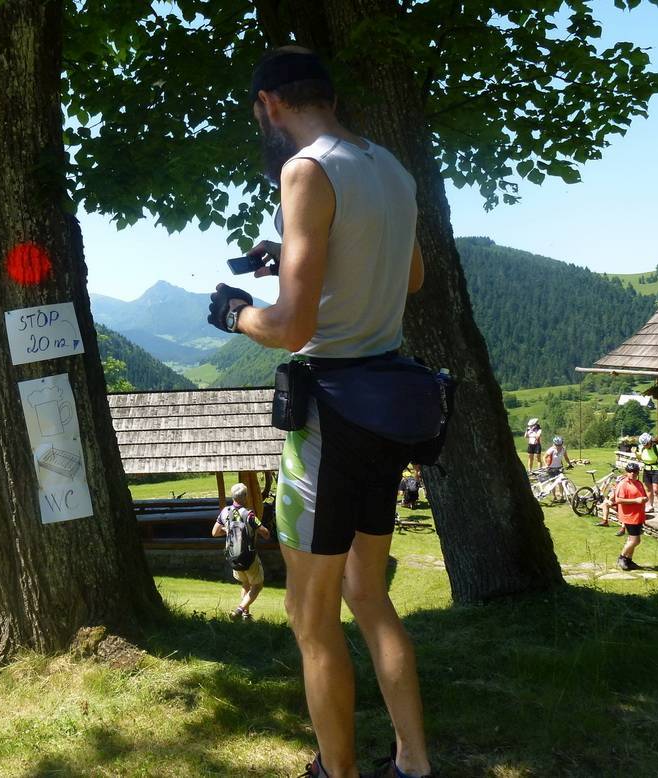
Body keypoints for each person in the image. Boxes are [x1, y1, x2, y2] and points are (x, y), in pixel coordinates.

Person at [207, 47, 434, 778]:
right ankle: (414, 765)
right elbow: (411, 275)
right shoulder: (389, 168)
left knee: (310, 615)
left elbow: (290, 327)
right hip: (388, 404)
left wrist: (235, 312)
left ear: (269, 104)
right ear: (328, 95)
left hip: (329, 415)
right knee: (369, 595)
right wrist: (297, 256)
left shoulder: (305, 170)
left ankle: (338, 772)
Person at [211, 482, 270, 620]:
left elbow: (215, 533)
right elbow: (265, 534)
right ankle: (238, 611)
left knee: (246, 583)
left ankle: (246, 615)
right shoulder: (249, 515)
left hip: (233, 557)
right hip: (249, 557)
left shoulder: (225, 512)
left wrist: (228, 530)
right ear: (244, 497)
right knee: (257, 586)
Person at [613, 462, 648, 570]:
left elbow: (644, 496)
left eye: (635, 471)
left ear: (638, 472)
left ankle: (629, 561)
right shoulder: (623, 484)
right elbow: (618, 500)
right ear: (626, 472)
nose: (632, 473)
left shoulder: (639, 483)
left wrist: (645, 499)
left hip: (638, 516)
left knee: (632, 539)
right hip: (629, 516)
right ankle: (622, 557)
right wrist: (636, 501)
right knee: (635, 540)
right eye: (630, 471)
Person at [636, 432, 658, 516]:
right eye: (644, 445)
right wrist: (635, 453)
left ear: (650, 441)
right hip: (647, 470)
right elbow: (640, 458)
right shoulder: (642, 448)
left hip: (657, 470)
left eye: (646, 444)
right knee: (648, 489)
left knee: (656, 490)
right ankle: (650, 506)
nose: (645, 446)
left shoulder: (657, 447)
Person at [543, 435, 573, 501]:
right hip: (551, 468)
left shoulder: (563, 449)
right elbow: (544, 457)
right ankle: (554, 497)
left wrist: (570, 464)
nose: (559, 446)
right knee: (552, 483)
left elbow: (566, 457)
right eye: (557, 445)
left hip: (559, 467)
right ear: (554, 444)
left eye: (560, 445)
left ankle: (561, 496)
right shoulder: (551, 450)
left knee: (560, 482)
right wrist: (546, 465)